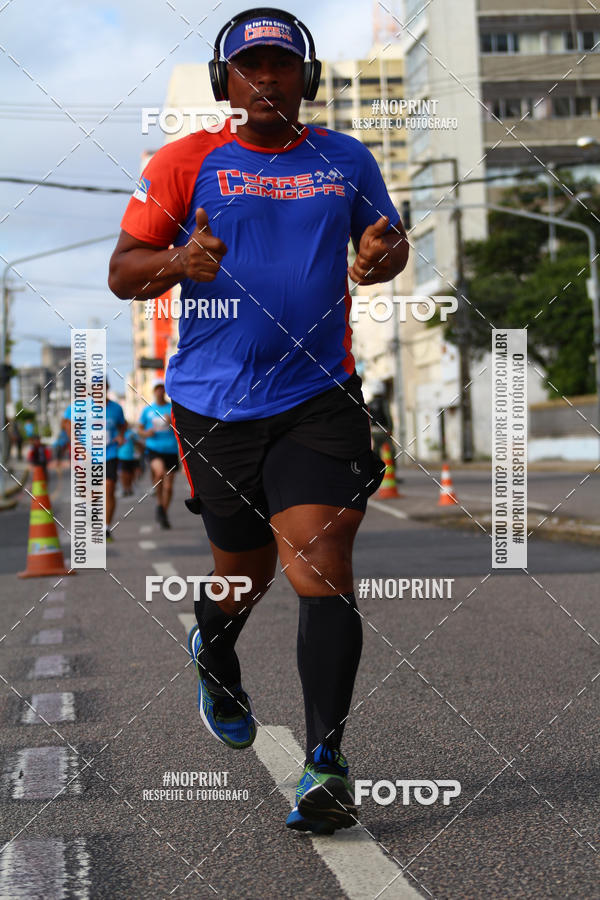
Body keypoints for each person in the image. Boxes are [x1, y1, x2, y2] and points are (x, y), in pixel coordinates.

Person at [109, 6, 408, 836]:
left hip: (319, 393)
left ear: (304, 80)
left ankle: (326, 764)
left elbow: (386, 245)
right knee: (244, 573)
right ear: (224, 82)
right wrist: (177, 260)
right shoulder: (183, 163)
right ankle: (215, 645)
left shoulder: (345, 158)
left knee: (320, 560)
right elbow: (122, 272)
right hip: (213, 403)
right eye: (249, 67)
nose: (266, 78)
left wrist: (384, 257)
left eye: (281, 65)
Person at [63, 381, 126, 540]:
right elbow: (67, 424)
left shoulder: (116, 408)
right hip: (88, 455)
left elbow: (123, 424)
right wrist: (79, 447)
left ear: (106, 389)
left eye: (102, 387)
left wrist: (120, 435)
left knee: (109, 487)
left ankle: (105, 528)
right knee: (91, 493)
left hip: (109, 453)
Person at [138, 378, 180, 528]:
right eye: (157, 388)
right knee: (160, 472)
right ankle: (158, 501)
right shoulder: (148, 409)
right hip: (154, 448)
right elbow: (140, 429)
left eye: (162, 388)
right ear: (153, 391)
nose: (160, 391)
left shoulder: (172, 408)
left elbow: (182, 428)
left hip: (170, 449)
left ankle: (163, 511)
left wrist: (172, 423)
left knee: (169, 487)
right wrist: (146, 433)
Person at [118, 423, 141, 496]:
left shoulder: (132, 433)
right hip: (121, 456)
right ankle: (125, 488)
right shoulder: (117, 433)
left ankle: (129, 487)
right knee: (123, 473)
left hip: (131, 456)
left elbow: (138, 443)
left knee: (131, 473)